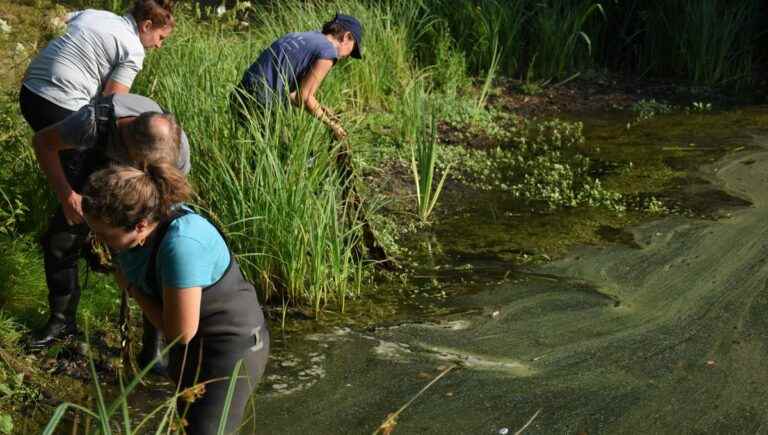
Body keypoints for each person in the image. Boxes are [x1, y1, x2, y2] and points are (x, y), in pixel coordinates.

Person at [82, 164, 269, 435]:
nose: (99, 240)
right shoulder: (142, 221)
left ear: (141, 225)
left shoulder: (183, 244)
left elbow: (180, 333)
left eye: (106, 235)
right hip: (196, 344)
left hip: (231, 346)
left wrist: (132, 290)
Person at [30, 93, 191, 377]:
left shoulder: (177, 150)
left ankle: (152, 349)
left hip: (144, 193)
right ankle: (61, 324)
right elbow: (43, 143)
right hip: (91, 168)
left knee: (152, 256)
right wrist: (67, 195)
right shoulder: (93, 123)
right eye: (143, 165)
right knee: (61, 241)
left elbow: (170, 201)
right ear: (128, 140)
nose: (145, 170)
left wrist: (144, 236)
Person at [19, 0, 175, 132]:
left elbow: (54, 22)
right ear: (147, 26)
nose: (159, 45)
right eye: (160, 37)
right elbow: (113, 104)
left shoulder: (95, 14)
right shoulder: (134, 50)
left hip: (28, 92)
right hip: (61, 106)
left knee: (48, 149)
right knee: (88, 162)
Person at [233, 13, 363, 140]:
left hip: (240, 96)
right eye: (353, 49)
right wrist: (333, 126)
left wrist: (320, 109)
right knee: (287, 155)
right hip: (262, 102)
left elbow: (290, 94)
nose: (347, 56)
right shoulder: (328, 51)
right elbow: (305, 97)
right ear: (346, 37)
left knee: (258, 153)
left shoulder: (300, 37)